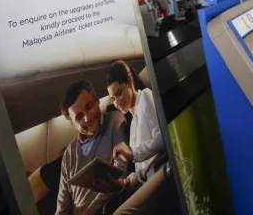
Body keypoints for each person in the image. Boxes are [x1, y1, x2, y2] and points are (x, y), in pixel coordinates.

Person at [106, 61, 176, 215]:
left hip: (161, 171)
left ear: (129, 81)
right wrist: (123, 182)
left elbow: (162, 138)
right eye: (113, 98)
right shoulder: (132, 125)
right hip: (147, 181)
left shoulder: (145, 96)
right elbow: (140, 171)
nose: (117, 102)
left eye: (119, 93)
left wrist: (132, 154)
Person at [56, 80, 127, 215]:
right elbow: (62, 207)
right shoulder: (69, 153)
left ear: (97, 100)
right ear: (73, 124)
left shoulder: (114, 120)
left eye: (89, 107)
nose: (87, 118)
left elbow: (121, 173)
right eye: (79, 117)